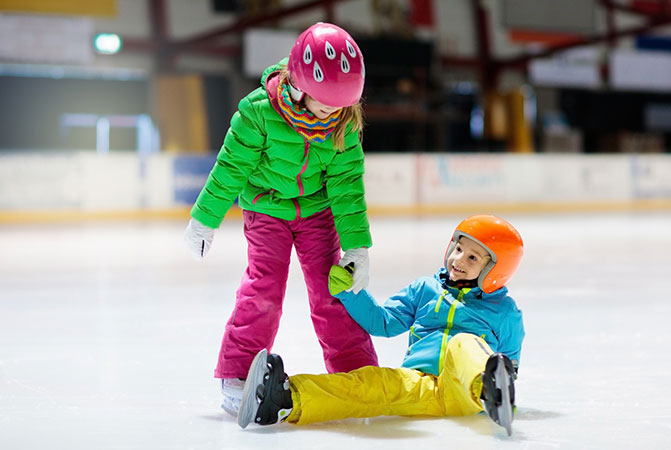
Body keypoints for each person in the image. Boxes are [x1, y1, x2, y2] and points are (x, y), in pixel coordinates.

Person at [183, 22, 379, 416]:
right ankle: (238, 373)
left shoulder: (343, 124)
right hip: (266, 209)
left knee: (333, 292)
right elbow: (230, 169)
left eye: (341, 105)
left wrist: (356, 245)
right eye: (325, 103)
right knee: (264, 289)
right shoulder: (257, 113)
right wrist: (205, 219)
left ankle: (355, 371)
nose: (333, 112)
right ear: (300, 84)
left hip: (316, 213)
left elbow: (346, 187)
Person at [236, 215, 526, 435]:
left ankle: (491, 392)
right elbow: (383, 322)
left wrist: (498, 380)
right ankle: (284, 398)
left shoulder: (504, 312)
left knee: (463, 344)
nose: (458, 259)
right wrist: (351, 293)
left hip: (466, 390)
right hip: (418, 383)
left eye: (473, 257)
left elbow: (509, 363)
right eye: (459, 248)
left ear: (495, 270)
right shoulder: (425, 290)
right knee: (371, 383)